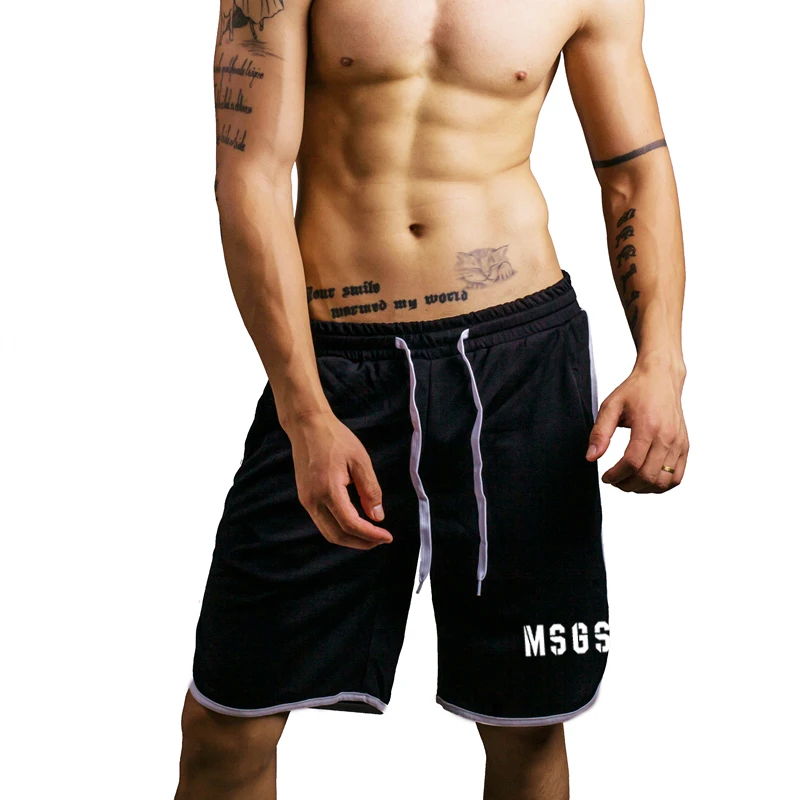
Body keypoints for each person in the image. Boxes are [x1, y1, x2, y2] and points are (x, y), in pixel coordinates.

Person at [176, 0, 688, 797]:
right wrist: (303, 409)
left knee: (528, 722)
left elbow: (633, 170)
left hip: (521, 365)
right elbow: (250, 177)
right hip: (337, 371)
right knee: (230, 717)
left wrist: (661, 363)